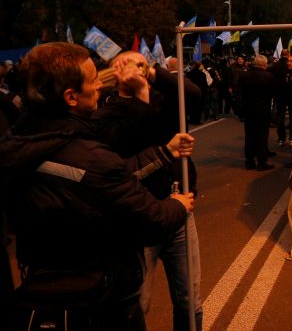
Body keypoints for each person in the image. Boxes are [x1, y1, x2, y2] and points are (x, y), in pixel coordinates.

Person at [0, 43, 194, 330]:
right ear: (71, 96)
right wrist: (178, 203)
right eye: (93, 81)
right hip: (101, 301)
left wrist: (164, 152)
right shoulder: (90, 156)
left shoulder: (15, 143)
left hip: (40, 290)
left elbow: (102, 177)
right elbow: (152, 217)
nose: (100, 87)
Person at [99, 51, 205, 331]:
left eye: (142, 64)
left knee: (189, 299)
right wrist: (140, 91)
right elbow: (136, 141)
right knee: (138, 302)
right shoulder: (107, 110)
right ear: (117, 72)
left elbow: (193, 94)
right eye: (131, 64)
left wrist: (155, 74)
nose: (138, 68)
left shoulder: (160, 98)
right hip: (139, 219)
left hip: (179, 208)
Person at [238, 55, 277, 170]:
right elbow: (273, 93)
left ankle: (249, 162)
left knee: (249, 136)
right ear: (264, 65)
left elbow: (239, 91)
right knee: (262, 136)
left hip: (248, 110)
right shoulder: (269, 76)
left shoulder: (244, 75)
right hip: (263, 110)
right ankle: (261, 162)